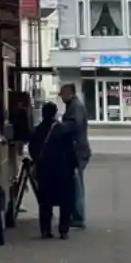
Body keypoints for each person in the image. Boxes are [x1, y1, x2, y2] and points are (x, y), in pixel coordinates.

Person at [28, 102, 77, 238]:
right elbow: (70, 150)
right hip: (62, 170)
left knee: (45, 202)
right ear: (55, 113)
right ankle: (63, 230)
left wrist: (38, 161)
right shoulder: (62, 130)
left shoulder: (37, 131)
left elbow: (32, 149)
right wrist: (73, 166)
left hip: (44, 170)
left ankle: (45, 229)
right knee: (65, 201)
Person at [59, 81, 91, 228]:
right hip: (76, 150)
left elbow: (74, 125)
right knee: (74, 183)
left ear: (70, 93)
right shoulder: (72, 106)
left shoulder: (75, 107)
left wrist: (59, 128)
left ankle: (78, 216)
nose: (61, 97)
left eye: (63, 94)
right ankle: (75, 214)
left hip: (78, 150)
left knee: (76, 184)